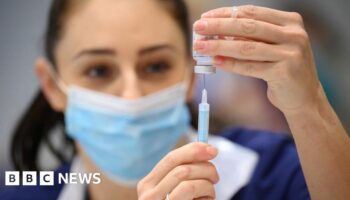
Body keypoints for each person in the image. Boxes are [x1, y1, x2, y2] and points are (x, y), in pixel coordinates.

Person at [1, 1, 349, 200]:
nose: (132, 96)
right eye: (98, 71)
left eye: (156, 65)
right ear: (53, 86)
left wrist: (309, 104)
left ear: (190, 75)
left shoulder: (278, 172)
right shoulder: (23, 194)